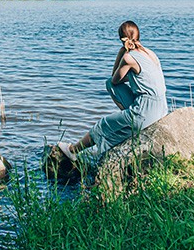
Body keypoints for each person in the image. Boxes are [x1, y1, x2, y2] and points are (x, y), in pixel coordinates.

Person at [57, 20, 168, 160]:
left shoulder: (128, 57)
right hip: (161, 108)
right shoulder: (150, 53)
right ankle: (127, 122)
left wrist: (121, 53)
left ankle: (72, 151)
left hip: (144, 112)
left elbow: (115, 79)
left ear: (121, 38)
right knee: (110, 84)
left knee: (103, 124)